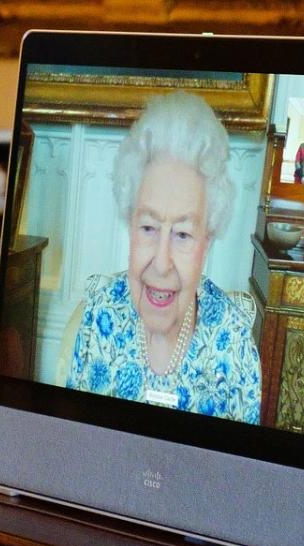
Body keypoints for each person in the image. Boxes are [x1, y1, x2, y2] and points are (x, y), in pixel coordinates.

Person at [64, 91, 261, 425]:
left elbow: (239, 477)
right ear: (130, 226)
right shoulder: (99, 317)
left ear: (207, 243)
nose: (161, 262)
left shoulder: (234, 345)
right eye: (149, 227)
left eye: (183, 234)